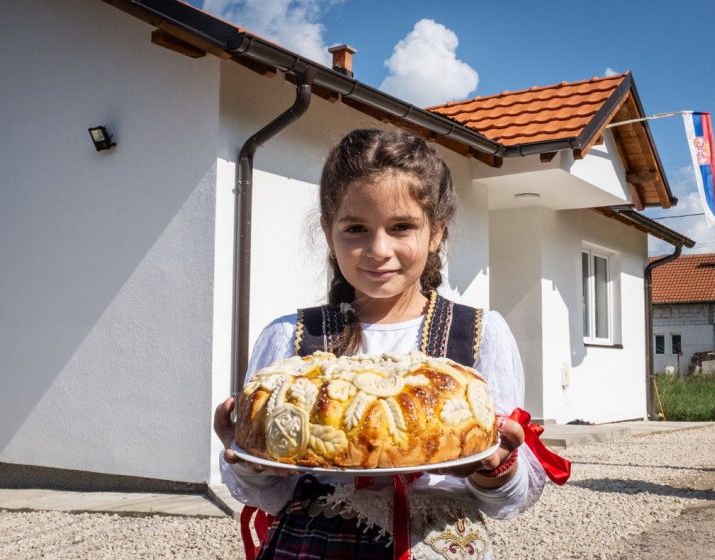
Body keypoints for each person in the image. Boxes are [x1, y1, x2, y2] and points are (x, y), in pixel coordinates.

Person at [215, 128, 550, 560]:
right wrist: (250, 459)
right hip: (314, 545)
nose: (378, 249)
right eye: (356, 228)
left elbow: (510, 498)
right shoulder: (291, 339)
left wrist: (493, 467)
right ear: (328, 232)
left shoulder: (479, 337)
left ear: (436, 233)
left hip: (439, 546)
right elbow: (268, 495)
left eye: (401, 227)